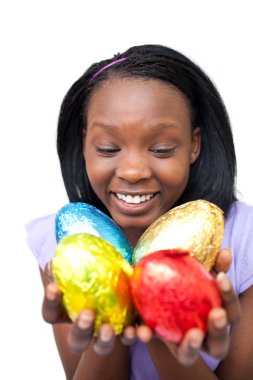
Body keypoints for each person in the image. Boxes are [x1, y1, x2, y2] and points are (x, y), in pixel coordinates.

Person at [26, 44, 253, 380]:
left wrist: (162, 326)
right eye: (108, 148)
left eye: (161, 149)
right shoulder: (67, 242)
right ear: (85, 141)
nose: (133, 171)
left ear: (194, 145)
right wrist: (115, 315)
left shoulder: (242, 239)